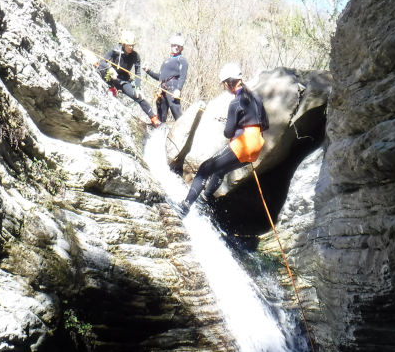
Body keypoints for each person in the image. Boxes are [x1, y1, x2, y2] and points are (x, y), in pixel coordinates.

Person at [173, 63, 269, 216]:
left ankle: (185, 206)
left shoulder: (236, 102)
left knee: (205, 168)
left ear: (227, 83)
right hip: (257, 144)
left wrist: (233, 125)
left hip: (243, 143)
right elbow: (265, 124)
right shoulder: (256, 97)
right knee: (220, 170)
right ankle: (205, 199)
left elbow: (228, 132)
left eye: (224, 85)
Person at [99, 30, 160, 127]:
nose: (131, 47)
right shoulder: (115, 51)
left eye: (133, 45)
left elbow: (138, 73)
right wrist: (110, 69)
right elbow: (102, 61)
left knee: (139, 96)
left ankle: (154, 118)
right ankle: (111, 88)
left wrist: (138, 87)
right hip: (112, 77)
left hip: (124, 80)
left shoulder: (135, 56)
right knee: (102, 69)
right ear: (123, 44)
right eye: (129, 45)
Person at [144, 33, 188, 123]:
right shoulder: (166, 61)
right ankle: (160, 131)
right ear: (171, 46)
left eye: (178, 46)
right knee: (161, 112)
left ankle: (183, 131)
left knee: (176, 111)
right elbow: (160, 77)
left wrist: (178, 89)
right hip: (163, 88)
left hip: (173, 87)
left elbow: (183, 76)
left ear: (182, 48)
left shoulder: (182, 60)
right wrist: (148, 71)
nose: (176, 47)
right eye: (174, 45)